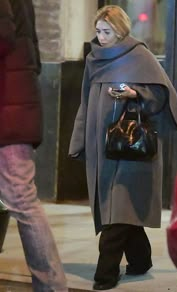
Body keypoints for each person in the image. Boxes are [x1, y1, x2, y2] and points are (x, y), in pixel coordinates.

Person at [69, 5, 177, 291]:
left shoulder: (140, 56)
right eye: (98, 31)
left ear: (120, 30)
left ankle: (105, 276)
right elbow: (85, 103)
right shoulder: (93, 60)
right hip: (103, 148)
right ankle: (140, 261)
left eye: (107, 31)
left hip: (133, 150)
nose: (101, 37)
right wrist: (79, 141)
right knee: (121, 211)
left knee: (118, 210)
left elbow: (163, 96)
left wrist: (135, 93)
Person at [0, 1, 68, 291]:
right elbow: (35, 58)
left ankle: (52, 286)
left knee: (22, 200)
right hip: (15, 105)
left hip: (9, 111)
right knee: (23, 200)